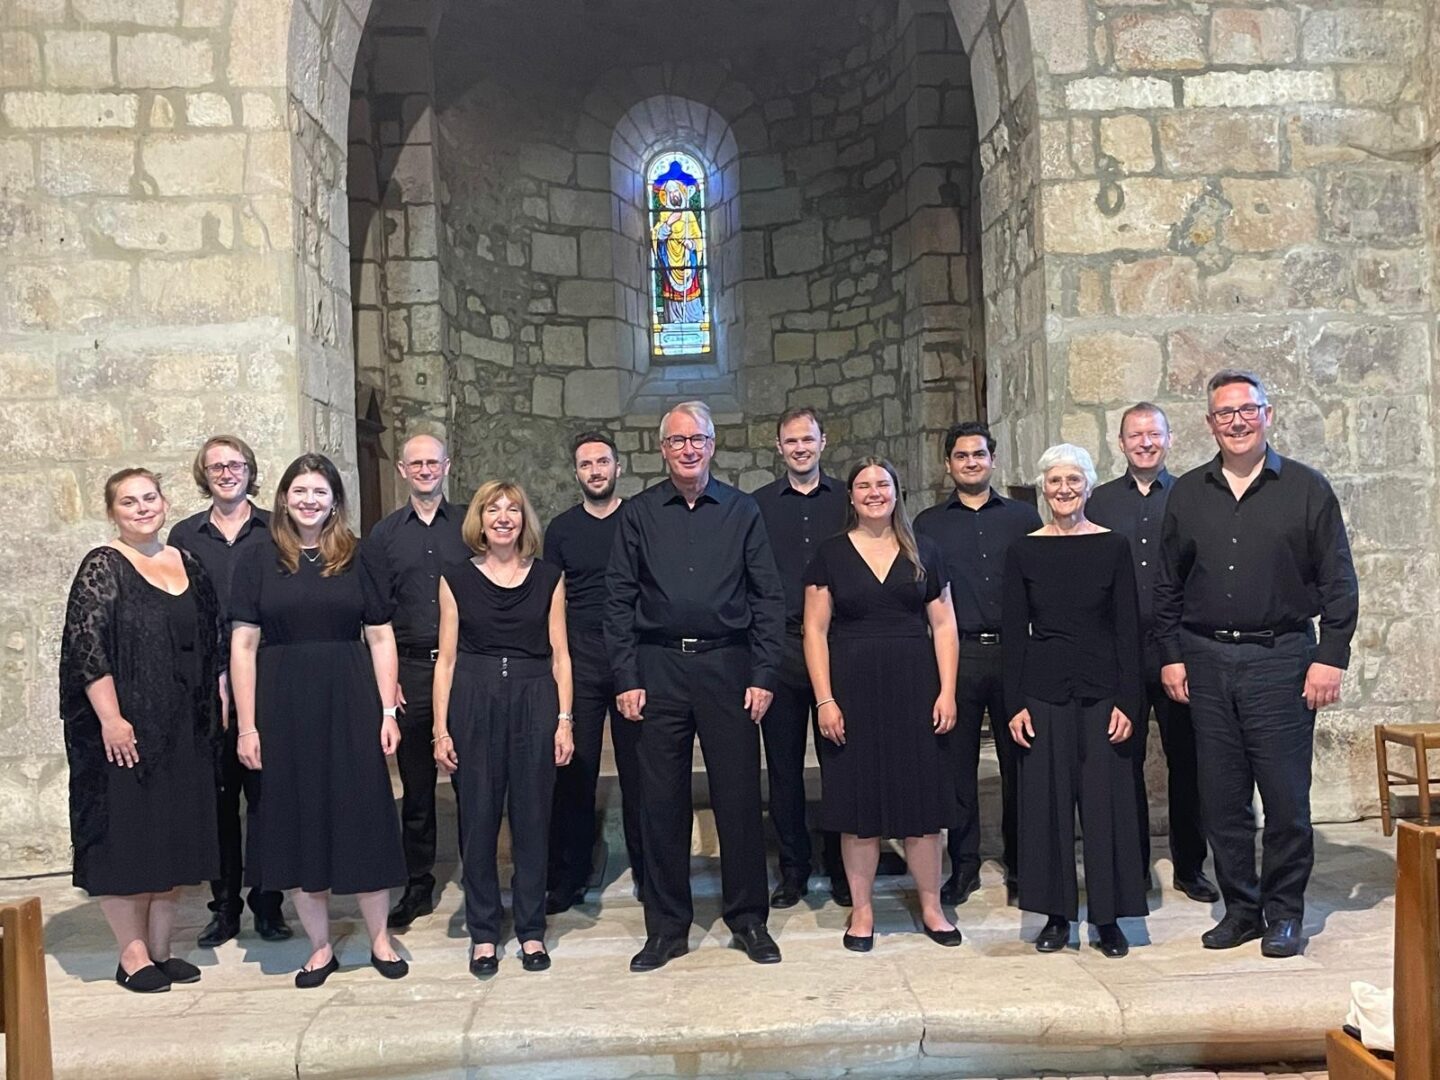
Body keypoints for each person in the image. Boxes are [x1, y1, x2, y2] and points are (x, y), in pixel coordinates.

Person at [1155, 370, 1358, 958]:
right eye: (1225, 413)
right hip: (1207, 660)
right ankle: (1241, 908)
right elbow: (1167, 587)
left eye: (1248, 410)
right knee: (1222, 799)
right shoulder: (1188, 493)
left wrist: (1330, 658)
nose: (1237, 421)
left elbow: (1339, 583)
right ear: (1210, 423)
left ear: (1268, 415)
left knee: (1287, 800)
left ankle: (1285, 913)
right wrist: (1171, 655)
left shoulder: (1307, 489)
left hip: (1283, 660)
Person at [606, 400, 786, 972]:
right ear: (663, 450)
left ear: (713, 445)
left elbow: (767, 597)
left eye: (698, 439)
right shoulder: (637, 513)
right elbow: (618, 600)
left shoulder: (741, 511)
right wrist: (626, 676)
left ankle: (748, 918)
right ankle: (665, 926)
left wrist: (763, 673)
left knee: (736, 796)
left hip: (728, 667)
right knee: (660, 801)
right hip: (657, 668)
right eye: (678, 440)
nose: (688, 448)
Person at [229, 453, 409, 987]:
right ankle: (321, 946)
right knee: (298, 818)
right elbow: (243, 644)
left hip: (350, 697)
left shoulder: (358, 555)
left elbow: (380, 635)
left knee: (364, 812)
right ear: (284, 497)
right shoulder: (259, 557)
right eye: (300, 491)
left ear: (335, 500)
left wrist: (386, 710)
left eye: (320, 492)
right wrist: (247, 724)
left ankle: (379, 938)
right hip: (281, 704)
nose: (310, 500)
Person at [60, 468, 223, 992]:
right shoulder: (103, 566)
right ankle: (131, 956)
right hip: (127, 729)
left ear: (164, 501)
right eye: (128, 502)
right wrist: (111, 719)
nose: (141, 508)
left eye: (149, 498)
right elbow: (88, 651)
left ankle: (160, 949)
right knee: (128, 842)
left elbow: (213, 641)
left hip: (184, 728)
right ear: (113, 512)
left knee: (171, 837)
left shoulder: (188, 563)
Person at [802, 458, 962, 951]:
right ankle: (863, 910)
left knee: (922, 804)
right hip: (851, 689)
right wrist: (825, 699)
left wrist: (948, 690)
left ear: (897, 492)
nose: (874, 493)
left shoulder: (925, 551)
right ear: (850, 496)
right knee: (857, 806)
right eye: (864, 486)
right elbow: (814, 630)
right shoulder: (829, 554)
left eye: (883, 484)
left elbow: (945, 626)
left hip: (916, 687)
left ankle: (932, 906)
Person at [1003, 444, 1148, 959]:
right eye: (1054, 481)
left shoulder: (1114, 546)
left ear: (1088, 486)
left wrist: (1129, 701)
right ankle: (1056, 915)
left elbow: (1129, 629)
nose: (1064, 490)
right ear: (1043, 488)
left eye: (1073, 480)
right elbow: (1013, 634)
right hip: (1042, 692)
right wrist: (1015, 702)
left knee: (1108, 805)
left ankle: (1109, 918)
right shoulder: (1024, 549)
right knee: (1046, 805)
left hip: (1104, 690)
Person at [433, 481, 575, 976]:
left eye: (512, 509)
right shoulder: (454, 577)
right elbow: (446, 659)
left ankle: (532, 930)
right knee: (478, 820)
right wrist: (440, 729)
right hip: (474, 697)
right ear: (479, 519)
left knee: (533, 819)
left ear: (523, 520)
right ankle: (484, 933)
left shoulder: (550, 576)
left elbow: (560, 653)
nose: (503, 517)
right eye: (492, 509)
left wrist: (564, 719)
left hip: (536, 697)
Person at [1087, 405, 1218, 904]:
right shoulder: (1097, 503)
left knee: (1188, 762)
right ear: (1120, 442)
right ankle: (1131, 865)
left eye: (1153, 434)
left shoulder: (1191, 496)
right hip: (1118, 654)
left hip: (1179, 651)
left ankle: (1190, 866)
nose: (1145, 442)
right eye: (1135, 435)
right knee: (1122, 760)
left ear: (1168, 439)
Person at [168, 435, 292, 948]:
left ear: (250, 471)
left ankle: (269, 902)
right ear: (204, 475)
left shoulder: (275, 529)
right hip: (205, 685)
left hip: (270, 678)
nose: (226, 473)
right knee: (219, 800)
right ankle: (224, 908)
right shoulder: (184, 535)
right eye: (215, 466)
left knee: (268, 796)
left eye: (235, 464)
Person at [914, 420, 1041, 905]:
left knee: (1020, 765)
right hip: (955, 656)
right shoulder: (927, 524)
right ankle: (963, 865)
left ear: (992, 460)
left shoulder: (1024, 518)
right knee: (956, 767)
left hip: (1015, 654)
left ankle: (1022, 865)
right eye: (962, 456)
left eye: (979, 455)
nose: (971, 463)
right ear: (948, 465)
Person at [359, 434, 472, 931]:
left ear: (447, 466)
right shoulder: (383, 536)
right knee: (418, 786)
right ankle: (419, 882)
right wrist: (389, 682)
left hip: (467, 666)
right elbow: (374, 615)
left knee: (476, 782)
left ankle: (480, 881)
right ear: (402, 471)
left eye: (433, 461)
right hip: (410, 671)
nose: (425, 469)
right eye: (416, 463)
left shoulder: (471, 526)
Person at [543, 432, 645, 914]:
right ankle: (571, 875)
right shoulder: (561, 529)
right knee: (575, 774)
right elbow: (555, 598)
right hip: (580, 658)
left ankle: (651, 870)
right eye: (586, 464)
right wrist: (558, 658)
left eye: (603, 462)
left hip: (633, 657)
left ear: (618, 467)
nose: (596, 471)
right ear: (576, 473)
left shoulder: (639, 518)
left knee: (643, 772)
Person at [752, 407, 850, 908]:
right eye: (791, 441)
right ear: (778, 447)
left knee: (841, 761)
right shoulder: (758, 505)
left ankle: (841, 866)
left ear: (823, 441)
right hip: (781, 646)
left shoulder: (849, 501)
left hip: (840, 646)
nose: (800, 448)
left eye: (807, 439)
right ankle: (792, 869)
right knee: (784, 765)